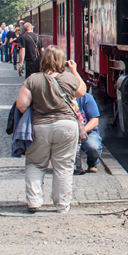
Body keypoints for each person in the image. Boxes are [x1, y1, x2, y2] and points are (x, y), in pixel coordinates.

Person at [15, 45, 86, 213]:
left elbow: (21, 105)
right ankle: (62, 205)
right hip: (67, 127)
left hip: (40, 126)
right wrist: (74, 71)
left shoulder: (33, 79)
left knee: (35, 164)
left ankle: (33, 202)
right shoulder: (68, 78)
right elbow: (82, 91)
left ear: (43, 60)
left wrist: (38, 110)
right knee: (63, 166)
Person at [75, 89, 102, 174]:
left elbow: (94, 121)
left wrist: (81, 132)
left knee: (93, 146)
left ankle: (92, 163)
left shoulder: (87, 98)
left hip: (87, 131)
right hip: (66, 133)